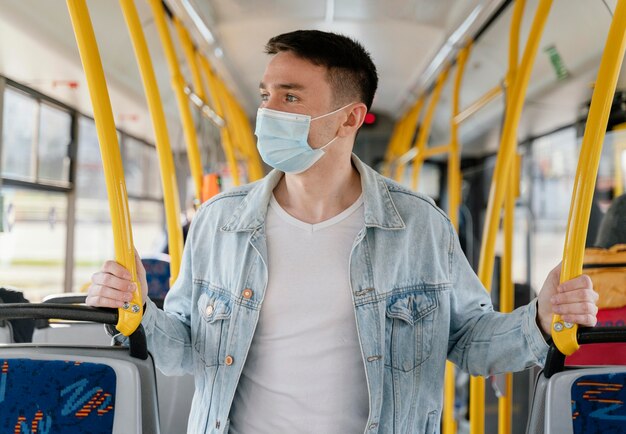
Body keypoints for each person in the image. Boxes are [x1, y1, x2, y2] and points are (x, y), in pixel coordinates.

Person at [87, 30, 598, 434]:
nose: (267, 111)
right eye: (266, 95)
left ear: (350, 117)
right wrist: (135, 312)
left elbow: (470, 342)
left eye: (290, 97)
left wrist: (540, 319)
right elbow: (184, 349)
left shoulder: (418, 225)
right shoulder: (218, 222)